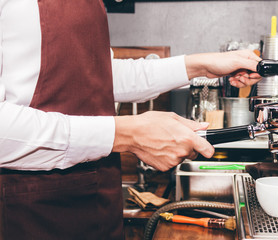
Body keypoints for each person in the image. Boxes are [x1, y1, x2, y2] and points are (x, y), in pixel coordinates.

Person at [0, 0, 262, 239]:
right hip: (30, 215)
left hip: (100, 207)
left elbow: (100, 75)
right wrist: (125, 134)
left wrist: (201, 65)